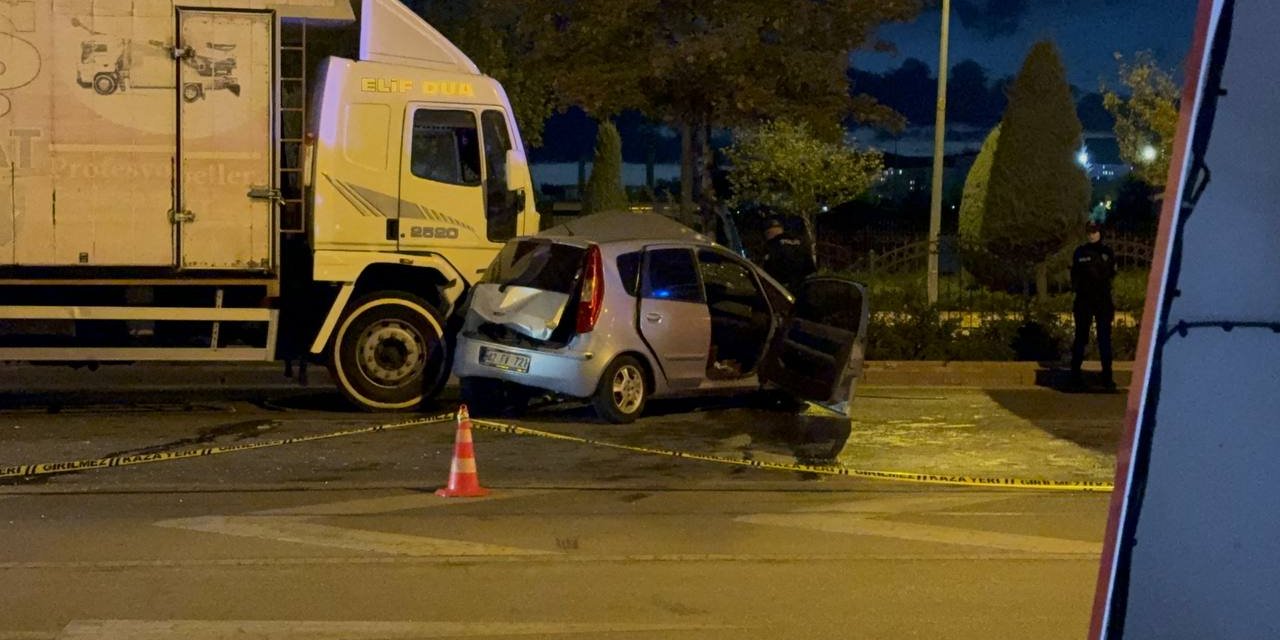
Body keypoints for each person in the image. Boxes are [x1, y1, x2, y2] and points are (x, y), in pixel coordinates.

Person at [1070, 221, 1118, 391]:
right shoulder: (1080, 252)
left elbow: (1110, 274)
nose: (1092, 235)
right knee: (1081, 339)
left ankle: (1107, 379)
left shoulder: (1107, 252)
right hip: (1084, 301)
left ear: (1100, 232)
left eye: (1095, 231)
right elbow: (1075, 277)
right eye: (1089, 232)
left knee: (1104, 339)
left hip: (1102, 302)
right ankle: (1074, 377)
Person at [761, 217, 815, 293]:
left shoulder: (772, 245)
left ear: (768, 232)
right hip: (806, 286)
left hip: (786, 290)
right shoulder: (797, 241)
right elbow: (810, 265)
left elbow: (769, 271)